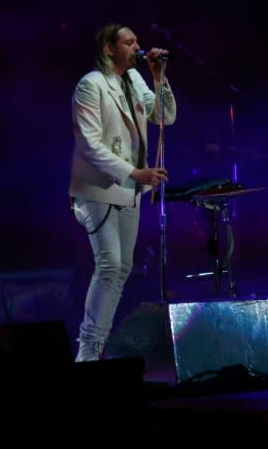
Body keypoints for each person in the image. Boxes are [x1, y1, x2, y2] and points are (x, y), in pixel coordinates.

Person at [69, 22, 177, 362]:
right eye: (129, 42)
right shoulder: (91, 85)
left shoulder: (134, 79)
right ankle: (88, 352)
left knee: (122, 268)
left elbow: (165, 116)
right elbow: (89, 145)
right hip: (98, 188)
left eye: (136, 42)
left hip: (130, 191)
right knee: (109, 264)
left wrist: (158, 77)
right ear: (108, 49)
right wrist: (134, 171)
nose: (137, 47)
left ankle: (96, 347)